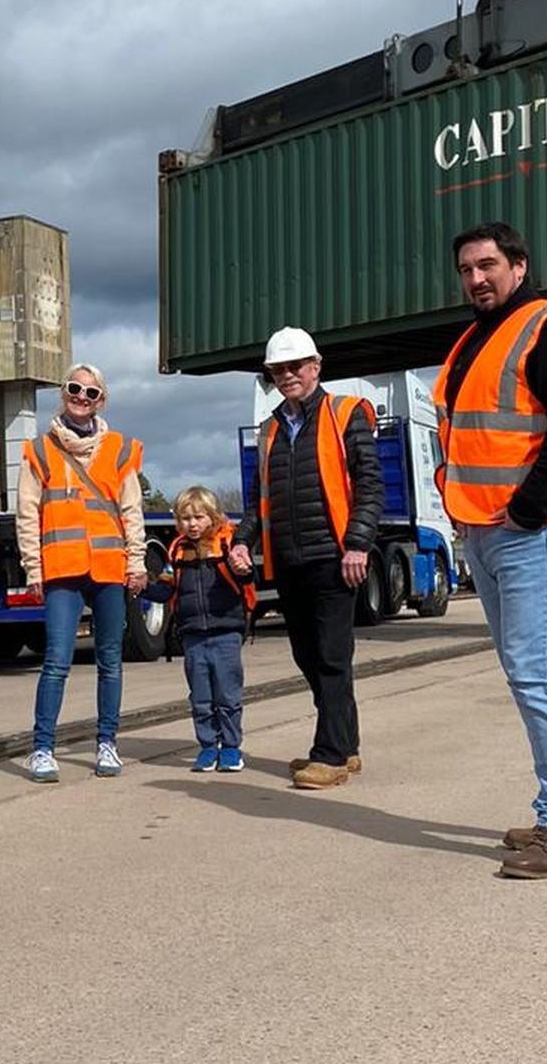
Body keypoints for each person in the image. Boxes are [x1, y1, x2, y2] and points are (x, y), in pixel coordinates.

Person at [432, 220, 547, 880]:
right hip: (489, 529)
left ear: (518, 264)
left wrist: (529, 509)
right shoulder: (477, 338)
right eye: (466, 269)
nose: (476, 278)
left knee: (538, 675)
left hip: (532, 529)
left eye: (487, 265)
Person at [229, 327, 382, 790]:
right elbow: (261, 499)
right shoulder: (271, 429)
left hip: (335, 556)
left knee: (332, 655)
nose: (288, 375)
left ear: (315, 366)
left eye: (296, 366)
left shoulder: (345, 414)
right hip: (290, 559)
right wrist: (241, 540)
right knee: (307, 655)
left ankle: (330, 755)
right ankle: (346, 743)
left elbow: (370, 486)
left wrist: (357, 543)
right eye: (279, 369)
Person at [16, 363, 147, 782]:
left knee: (110, 659)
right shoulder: (39, 451)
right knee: (56, 660)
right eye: (75, 389)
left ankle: (107, 741)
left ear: (101, 401)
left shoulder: (120, 449)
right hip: (61, 569)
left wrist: (137, 562)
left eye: (90, 393)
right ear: (63, 393)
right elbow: (27, 515)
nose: (81, 397)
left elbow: (131, 511)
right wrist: (32, 568)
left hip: (109, 568)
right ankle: (42, 748)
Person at [144, 485, 255, 772]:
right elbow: (167, 590)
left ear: (213, 517)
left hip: (226, 631)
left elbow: (245, 579)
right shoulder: (177, 551)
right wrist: (143, 586)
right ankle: (207, 746)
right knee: (201, 697)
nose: (192, 524)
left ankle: (231, 748)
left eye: (198, 517)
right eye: (185, 519)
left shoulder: (227, 544)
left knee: (228, 695)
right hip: (193, 634)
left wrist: (243, 570)